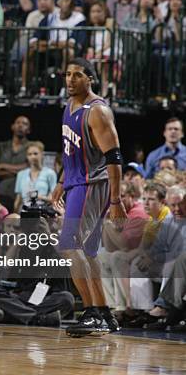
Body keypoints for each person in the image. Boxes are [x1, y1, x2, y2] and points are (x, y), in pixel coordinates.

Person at [51, 58, 127, 337]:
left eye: (78, 75)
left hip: (92, 184)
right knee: (88, 251)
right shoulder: (69, 106)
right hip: (77, 183)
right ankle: (103, 312)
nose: (70, 79)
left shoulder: (97, 111)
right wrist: (61, 180)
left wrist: (117, 200)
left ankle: (91, 312)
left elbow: (114, 157)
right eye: (67, 74)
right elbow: (70, 150)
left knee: (70, 245)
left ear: (90, 79)